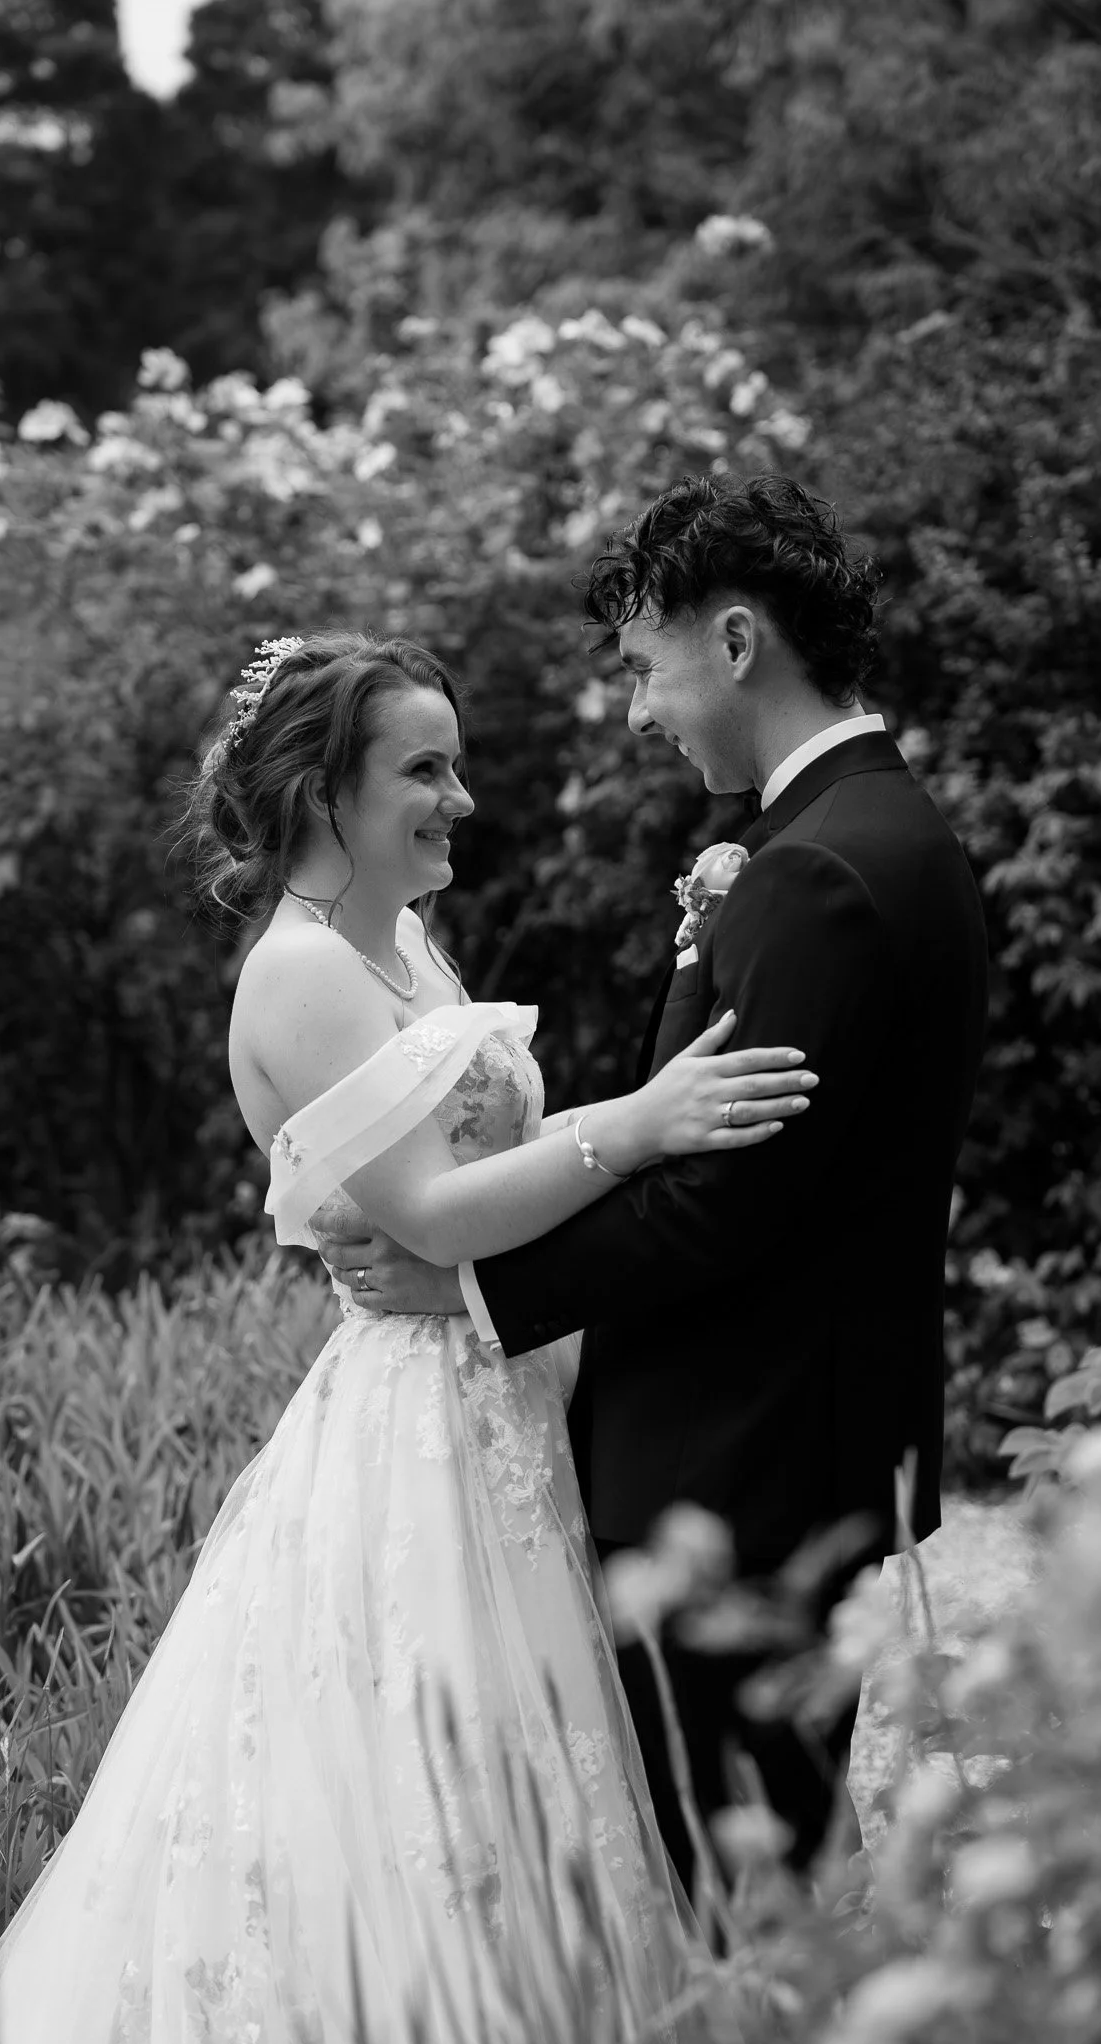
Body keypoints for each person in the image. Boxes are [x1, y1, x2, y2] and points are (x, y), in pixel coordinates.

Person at [0, 630, 815, 2044]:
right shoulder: (295, 974)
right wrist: (636, 1126)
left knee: (544, 1779)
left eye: (456, 764)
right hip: (413, 1424)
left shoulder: (400, 943)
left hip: (503, 1387)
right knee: (423, 1784)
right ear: (320, 794)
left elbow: (483, 1177)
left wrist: (599, 1143)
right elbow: (435, 1209)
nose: (461, 797)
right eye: (425, 768)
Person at [319, 475, 991, 1889]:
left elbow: (721, 1199)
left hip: (735, 1462)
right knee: (765, 1861)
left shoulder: (818, 871)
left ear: (736, 643)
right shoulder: (884, 837)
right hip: (792, 1444)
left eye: (645, 666)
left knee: (735, 1885)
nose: (639, 708)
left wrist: (467, 1285)